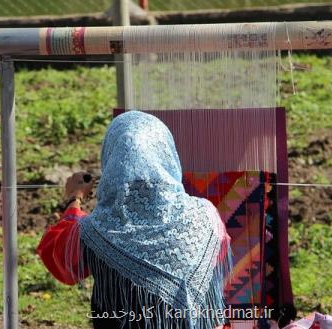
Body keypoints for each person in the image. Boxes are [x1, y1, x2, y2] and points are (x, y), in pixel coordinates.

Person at [37, 110, 232, 329]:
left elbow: (61, 260)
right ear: (167, 155)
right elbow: (216, 262)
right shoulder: (205, 218)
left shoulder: (97, 231)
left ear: (112, 162)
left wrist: (74, 199)